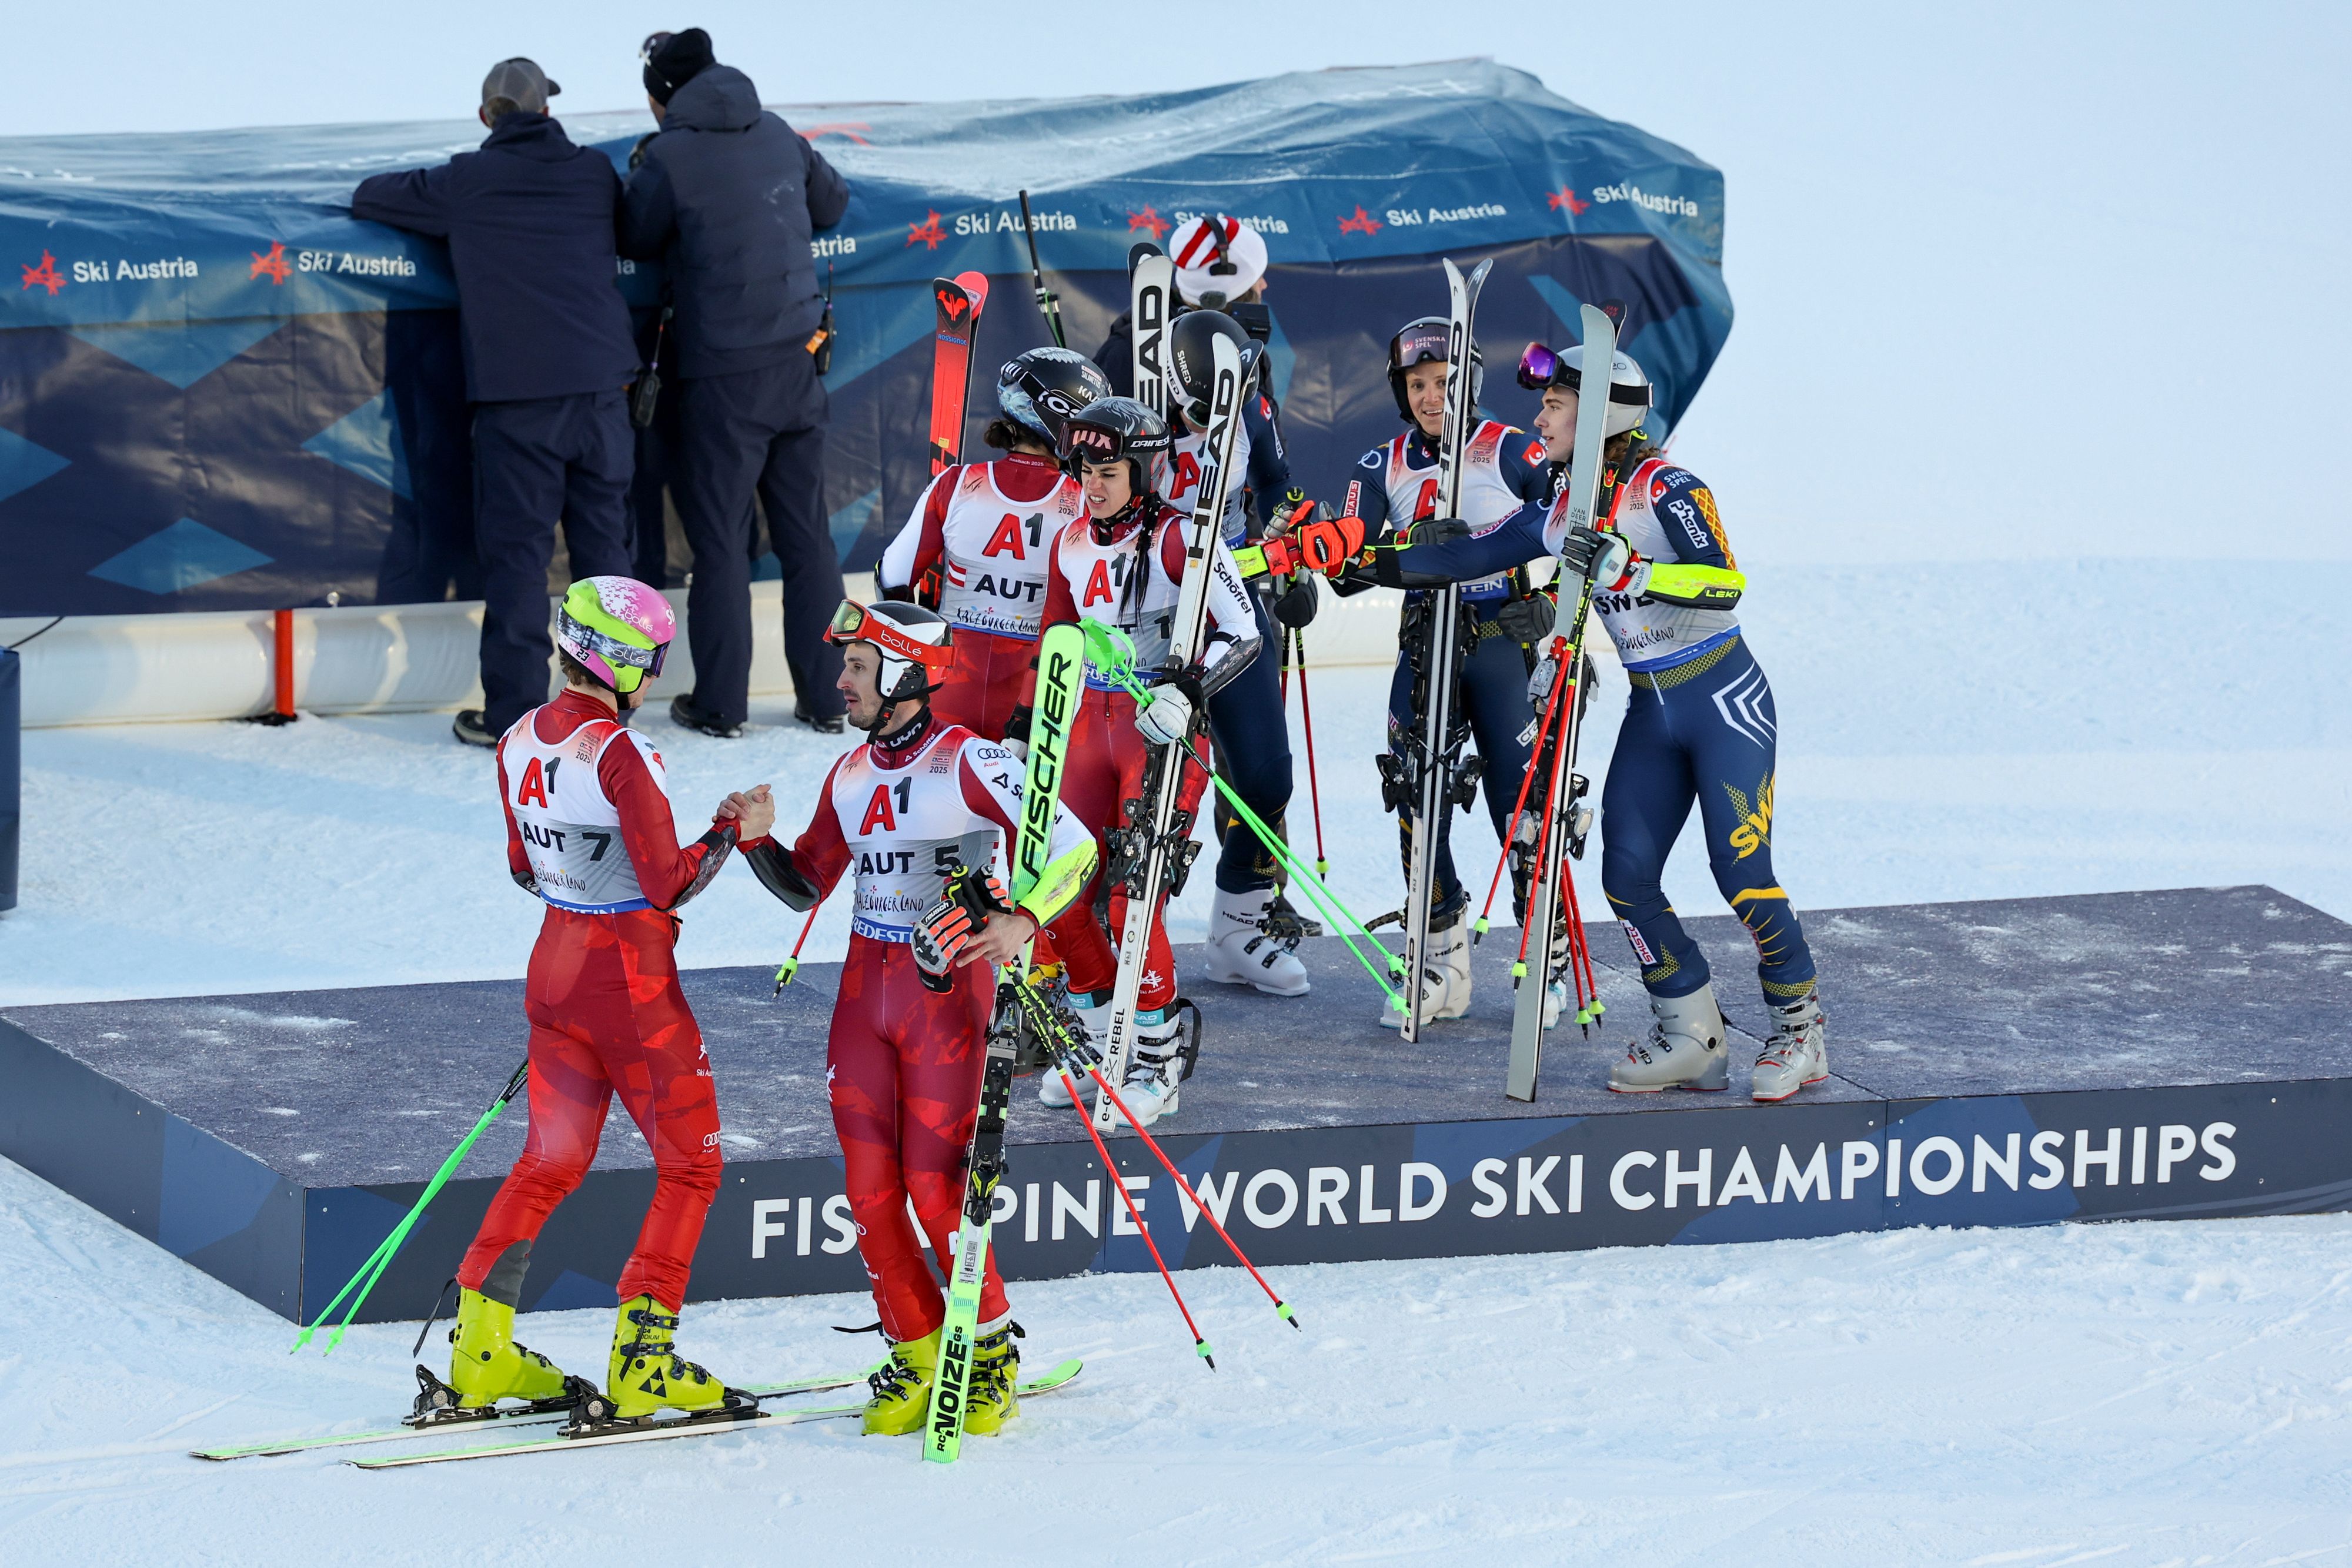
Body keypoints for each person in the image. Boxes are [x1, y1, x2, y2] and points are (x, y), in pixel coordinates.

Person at [1370, 343, 1828, 1102]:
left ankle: (1800, 1029)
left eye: (1554, 406)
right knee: (1626, 878)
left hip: (1721, 696)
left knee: (1741, 873)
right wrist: (1339, 555)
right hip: (1652, 706)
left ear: (1600, 416)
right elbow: (1464, 558)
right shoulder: (1562, 509)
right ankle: (1692, 1036)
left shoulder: (1665, 487)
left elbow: (1724, 581)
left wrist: (1634, 570)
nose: (1538, 418)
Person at [737, 599, 1094, 1436]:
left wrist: (1024, 920)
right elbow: (808, 881)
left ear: (904, 675)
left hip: (945, 996)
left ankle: (991, 1352)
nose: (842, 679)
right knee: (868, 1195)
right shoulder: (848, 773)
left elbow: (1075, 845)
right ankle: (920, 1349)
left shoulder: (970, 760)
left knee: (937, 1189)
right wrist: (755, 841)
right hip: (864, 994)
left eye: (859, 666)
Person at [445, 575, 775, 1421]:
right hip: (631, 984)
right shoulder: (624, 753)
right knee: (692, 1164)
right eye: (653, 660)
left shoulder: (516, 737)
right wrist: (731, 830)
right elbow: (669, 884)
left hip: (554, 969)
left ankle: (480, 1355)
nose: (657, 676)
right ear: (625, 663)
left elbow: (523, 867)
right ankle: (643, 1364)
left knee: (549, 1163)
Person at [350, 59, 639, 751]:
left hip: (518, 403)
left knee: (518, 559)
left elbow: (369, 196)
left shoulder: (465, 180)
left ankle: (515, 716)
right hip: (602, 392)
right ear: (547, 111)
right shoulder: (593, 172)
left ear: (487, 117)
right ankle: (612, 713)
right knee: (606, 560)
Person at [1024, 397, 1261, 1126]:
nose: (1092, 486)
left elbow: (1244, 633)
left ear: (1144, 470)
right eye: (1084, 471)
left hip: (1157, 731)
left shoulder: (1180, 539)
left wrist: (1185, 692)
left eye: (1108, 472)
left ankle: (1158, 1062)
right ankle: (1103, 1046)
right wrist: (1028, 729)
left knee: (1134, 900)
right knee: (1059, 890)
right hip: (1083, 731)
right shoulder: (1068, 542)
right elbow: (1056, 641)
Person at [1094, 227, 1312, 997]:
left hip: (1231, 594)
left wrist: (1290, 544)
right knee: (1141, 784)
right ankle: (1108, 936)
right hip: (1151, 598)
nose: (1212, 414)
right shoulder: (1136, 401)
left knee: (1264, 773)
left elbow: (1278, 480)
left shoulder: (1248, 397)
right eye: (1201, 404)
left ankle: (1238, 927)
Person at [621, 28, 851, 739]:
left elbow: (634, 234)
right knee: (808, 537)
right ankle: (829, 697)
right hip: (798, 365)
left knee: (721, 542)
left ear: (662, 97)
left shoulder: (670, 155)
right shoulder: (778, 131)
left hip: (723, 377)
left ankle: (721, 704)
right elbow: (832, 205)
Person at [1339, 316, 1557, 1028]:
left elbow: (1584, 529)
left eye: (1443, 382)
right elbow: (1344, 566)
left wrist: (1553, 603)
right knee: (1415, 795)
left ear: (1471, 382)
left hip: (1499, 646)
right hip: (1425, 645)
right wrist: (1404, 541)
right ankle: (1441, 962)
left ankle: (1546, 953)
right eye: (1417, 386)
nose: (1431, 398)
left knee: (1520, 803)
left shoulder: (1512, 448)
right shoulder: (1380, 465)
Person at [874, 348, 1107, 737]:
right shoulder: (1087, 502)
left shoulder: (956, 483)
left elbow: (892, 578)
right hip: (1035, 703)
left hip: (946, 689)